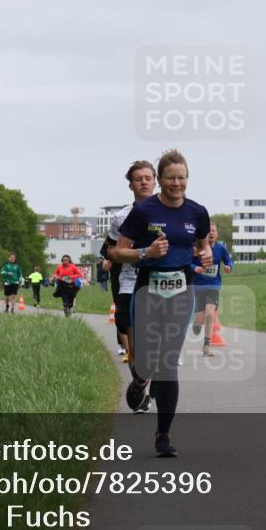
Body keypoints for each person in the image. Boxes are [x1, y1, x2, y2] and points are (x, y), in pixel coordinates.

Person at [116, 149, 212, 457]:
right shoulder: (144, 211)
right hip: (148, 289)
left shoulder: (197, 212)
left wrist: (206, 253)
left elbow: (202, 243)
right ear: (161, 180)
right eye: (170, 178)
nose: (176, 183)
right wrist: (146, 254)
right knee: (145, 358)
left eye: (181, 178)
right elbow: (119, 252)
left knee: (169, 363)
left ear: (187, 179)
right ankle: (140, 378)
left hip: (182, 289)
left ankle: (163, 435)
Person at [103, 160, 157, 395]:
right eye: (138, 178)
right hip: (130, 281)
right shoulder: (121, 216)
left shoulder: (169, 211)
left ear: (155, 181)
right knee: (134, 342)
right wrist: (113, 256)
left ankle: (159, 380)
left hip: (159, 281)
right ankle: (141, 385)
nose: (144, 182)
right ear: (131, 185)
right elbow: (109, 247)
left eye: (148, 177)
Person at [191, 224, 233, 357]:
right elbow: (187, 262)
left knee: (210, 314)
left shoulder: (220, 248)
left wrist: (228, 266)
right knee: (200, 319)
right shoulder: (197, 247)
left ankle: (206, 345)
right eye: (208, 231)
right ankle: (196, 323)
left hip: (213, 286)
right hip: (198, 286)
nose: (211, 233)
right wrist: (195, 268)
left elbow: (228, 260)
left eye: (213, 231)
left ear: (217, 234)